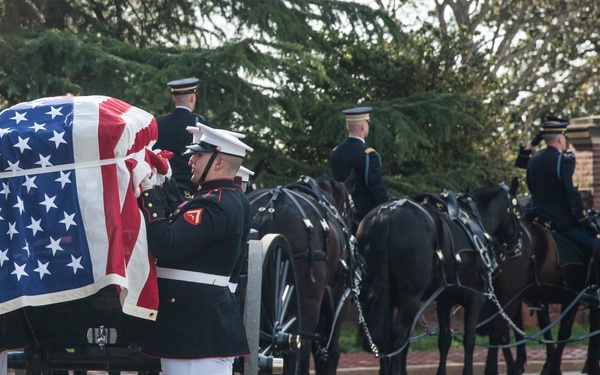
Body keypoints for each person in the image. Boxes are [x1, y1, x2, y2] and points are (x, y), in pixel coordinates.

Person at [137, 123, 253, 375]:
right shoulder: (220, 197)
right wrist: (163, 186)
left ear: (219, 163)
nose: (191, 160)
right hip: (196, 326)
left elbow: (167, 244)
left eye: (199, 155)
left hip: (194, 329)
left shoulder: (215, 205)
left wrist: (148, 194)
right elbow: (182, 220)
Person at [525, 116, 599, 255]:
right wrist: (586, 222)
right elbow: (573, 196)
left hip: (536, 217)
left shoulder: (534, 160)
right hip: (560, 222)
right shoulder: (563, 161)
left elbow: (521, 161)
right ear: (560, 139)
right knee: (596, 245)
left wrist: (531, 144)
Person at [331, 106, 389, 225]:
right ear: (363, 126)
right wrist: (387, 206)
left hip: (342, 211)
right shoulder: (368, 154)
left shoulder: (336, 152)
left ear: (348, 127)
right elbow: (375, 186)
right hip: (366, 215)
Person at [153, 77, 205, 199]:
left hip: (163, 188)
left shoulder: (158, 122)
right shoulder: (198, 123)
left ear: (173, 98)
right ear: (193, 98)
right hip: (191, 189)